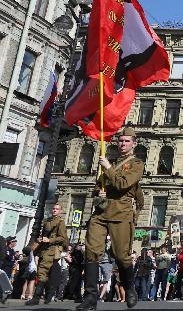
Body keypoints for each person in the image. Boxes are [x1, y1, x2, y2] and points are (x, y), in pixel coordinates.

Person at [78, 127, 144, 311]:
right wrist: (98, 191)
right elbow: (98, 187)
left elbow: (122, 183)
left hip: (121, 213)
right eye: (120, 141)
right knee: (91, 251)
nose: (122, 144)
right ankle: (90, 297)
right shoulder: (110, 162)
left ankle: (129, 288)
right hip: (101, 212)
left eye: (126, 141)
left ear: (133, 144)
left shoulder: (136, 164)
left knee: (121, 255)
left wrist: (107, 167)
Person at [26, 202, 68, 305]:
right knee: (44, 272)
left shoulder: (60, 222)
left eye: (57, 209)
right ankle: (48, 295)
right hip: (43, 250)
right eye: (53, 208)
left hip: (51, 250)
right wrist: (41, 239)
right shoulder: (47, 221)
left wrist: (49, 240)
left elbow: (62, 238)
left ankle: (37, 297)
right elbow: (43, 234)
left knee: (42, 272)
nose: (54, 210)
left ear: (60, 211)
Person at [0, 236, 17, 303]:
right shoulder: (7, 249)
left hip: (9, 268)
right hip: (5, 267)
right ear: (10, 242)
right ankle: (2, 296)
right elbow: (5, 257)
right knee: (2, 281)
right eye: (14, 241)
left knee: (5, 281)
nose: (15, 243)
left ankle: (3, 295)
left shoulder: (12, 250)